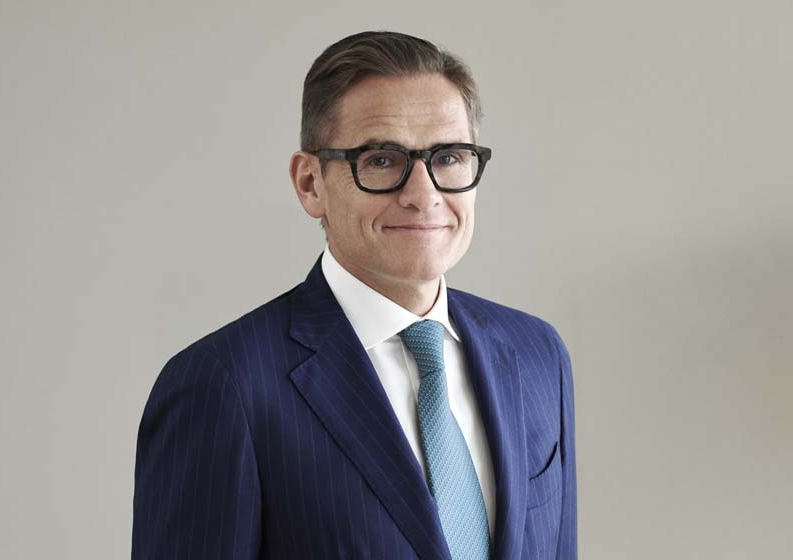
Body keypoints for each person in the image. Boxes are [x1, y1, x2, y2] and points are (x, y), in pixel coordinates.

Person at [131, 30, 577, 560]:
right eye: (382, 160)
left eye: (450, 157)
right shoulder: (225, 385)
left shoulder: (536, 353)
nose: (424, 196)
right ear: (310, 183)